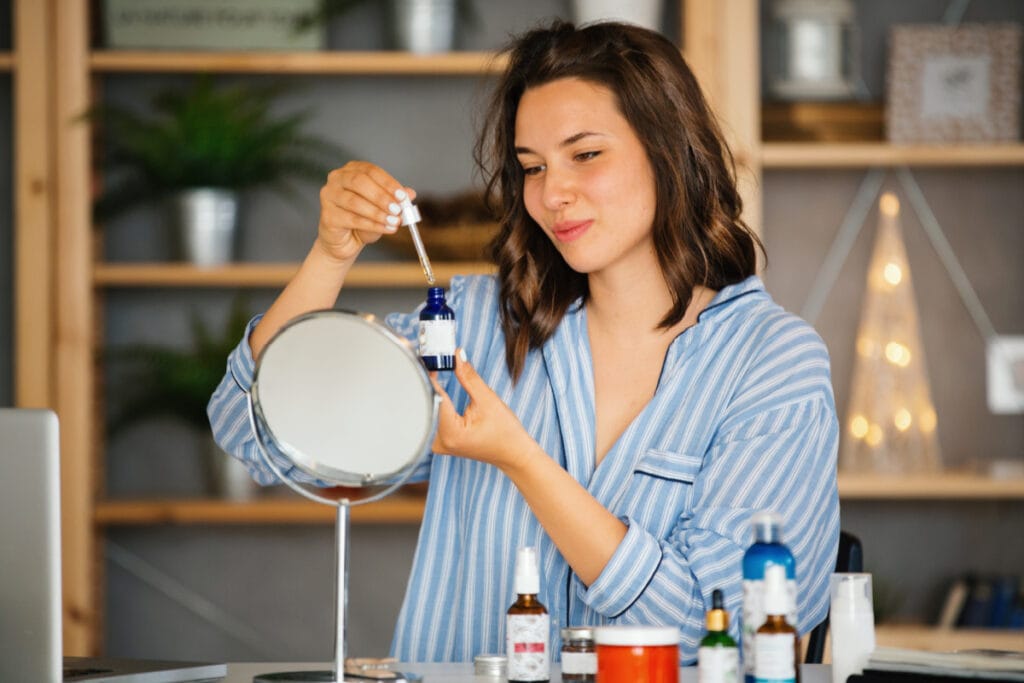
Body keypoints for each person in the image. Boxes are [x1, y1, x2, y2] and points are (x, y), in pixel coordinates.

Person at [208, 20, 839, 664]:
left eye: (585, 155)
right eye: (531, 167)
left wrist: (523, 463)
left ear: (670, 151)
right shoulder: (475, 327)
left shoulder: (772, 365)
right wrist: (330, 254)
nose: (552, 194)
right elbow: (249, 429)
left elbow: (726, 629)